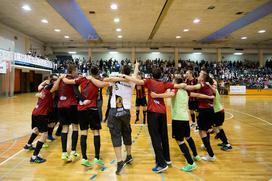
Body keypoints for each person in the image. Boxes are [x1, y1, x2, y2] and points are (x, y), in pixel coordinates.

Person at [122, 64, 183, 173]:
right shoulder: (164, 83)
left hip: (153, 114)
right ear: (161, 75)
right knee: (164, 137)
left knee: (155, 138)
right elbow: (177, 86)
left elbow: (137, 81)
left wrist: (125, 76)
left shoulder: (149, 82)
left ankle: (161, 164)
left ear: (152, 75)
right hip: (163, 113)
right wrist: (185, 84)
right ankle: (167, 159)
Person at [150, 77, 214, 172]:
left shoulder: (176, 89)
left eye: (173, 81)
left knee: (180, 141)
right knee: (187, 137)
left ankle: (190, 163)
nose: (172, 82)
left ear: (176, 83)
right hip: (185, 118)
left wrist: (156, 95)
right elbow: (195, 94)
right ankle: (195, 155)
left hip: (178, 119)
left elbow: (170, 94)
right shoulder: (185, 91)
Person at [62, 66, 109, 167]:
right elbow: (106, 83)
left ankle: (84, 158)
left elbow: (68, 82)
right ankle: (96, 157)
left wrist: (63, 77)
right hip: (92, 108)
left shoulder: (82, 79)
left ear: (89, 72)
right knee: (96, 132)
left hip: (81, 108)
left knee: (84, 133)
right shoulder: (98, 80)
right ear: (98, 73)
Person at [105, 65, 136, 175]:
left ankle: (119, 161)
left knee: (116, 135)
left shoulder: (115, 76)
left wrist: (119, 77)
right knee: (127, 132)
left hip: (115, 110)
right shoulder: (132, 81)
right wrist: (136, 66)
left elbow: (106, 79)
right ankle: (128, 155)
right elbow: (135, 75)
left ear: (122, 71)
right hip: (126, 112)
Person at [23, 74, 62, 163]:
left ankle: (28, 145)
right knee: (44, 134)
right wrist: (60, 78)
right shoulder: (49, 91)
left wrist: (46, 81)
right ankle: (34, 157)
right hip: (41, 114)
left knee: (36, 130)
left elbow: (39, 86)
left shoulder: (43, 89)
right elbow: (55, 86)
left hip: (35, 112)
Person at [57, 64, 80, 162]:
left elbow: (53, 89)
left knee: (65, 128)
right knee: (75, 126)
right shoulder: (72, 80)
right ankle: (73, 151)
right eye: (76, 70)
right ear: (72, 71)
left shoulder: (61, 79)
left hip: (61, 106)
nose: (77, 72)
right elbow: (77, 93)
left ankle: (64, 153)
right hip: (72, 105)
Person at [207, 80, 232, 151]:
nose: (214, 86)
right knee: (218, 128)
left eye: (215, 85)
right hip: (219, 111)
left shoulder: (214, 91)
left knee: (216, 128)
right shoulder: (214, 91)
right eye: (213, 84)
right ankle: (225, 141)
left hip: (218, 112)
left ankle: (227, 144)